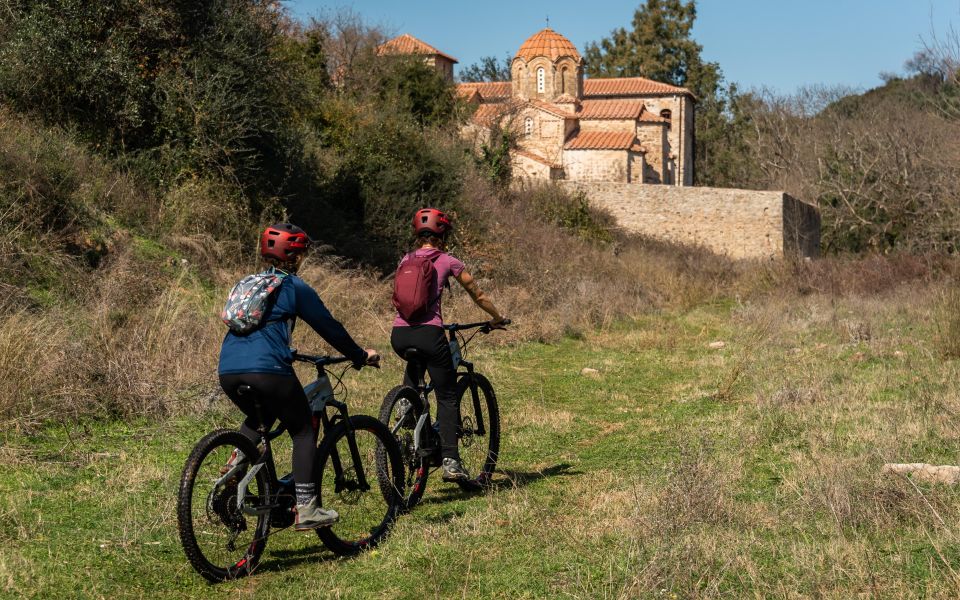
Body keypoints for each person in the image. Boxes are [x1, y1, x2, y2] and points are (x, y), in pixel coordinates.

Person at [218, 223, 379, 530]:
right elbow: (329, 327)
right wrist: (360, 356)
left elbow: (258, 328)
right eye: (302, 253)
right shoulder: (293, 287)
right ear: (294, 255)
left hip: (228, 369)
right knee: (304, 430)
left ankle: (229, 482)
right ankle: (307, 508)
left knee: (258, 419)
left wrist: (287, 350)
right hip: (267, 370)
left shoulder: (248, 284)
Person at [390, 208, 507, 481]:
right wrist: (497, 317)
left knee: (416, 365)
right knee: (447, 395)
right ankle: (451, 461)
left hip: (399, 335)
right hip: (430, 334)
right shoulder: (448, 261)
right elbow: (477, 294)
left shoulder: (404, 260)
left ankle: (406, 406)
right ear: (443, 234)